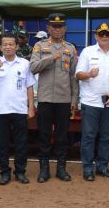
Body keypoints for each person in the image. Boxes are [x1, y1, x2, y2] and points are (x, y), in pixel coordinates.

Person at [30, 13, 78, 182]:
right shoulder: (39, 46)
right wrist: (51, 58)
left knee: (62, 136)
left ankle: (61, 168)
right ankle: (44, 170)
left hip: (64, 99)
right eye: (54, 27)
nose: (58, 30)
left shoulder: (71, 48)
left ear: (65, 28)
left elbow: (73, 76)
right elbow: (33, 67)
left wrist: (74, 100)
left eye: (61, 26)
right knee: (43, 135)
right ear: (48, 28)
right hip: (45, 99)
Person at [0, 33, 35, 185]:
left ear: (17, 46)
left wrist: (31, 107)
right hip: (2, 110)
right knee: (2, 143)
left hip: (20, 109)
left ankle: (20, 172)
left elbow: (30, 86)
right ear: (0, 47)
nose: (8, 47)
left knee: (21, 142)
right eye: (5, 44)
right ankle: (4, 172)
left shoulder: (24, 64)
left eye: (11, 44)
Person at [75, 22, 109, 181]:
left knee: (107, 136)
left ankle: (102, 167)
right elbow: (78, 75)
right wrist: (89, 74)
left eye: (107, 34)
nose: (104, 37)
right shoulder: (87, 52)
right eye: (101, 34)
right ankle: (88, 168)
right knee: (89, 136)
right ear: (96, 36)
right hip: (91, 101)